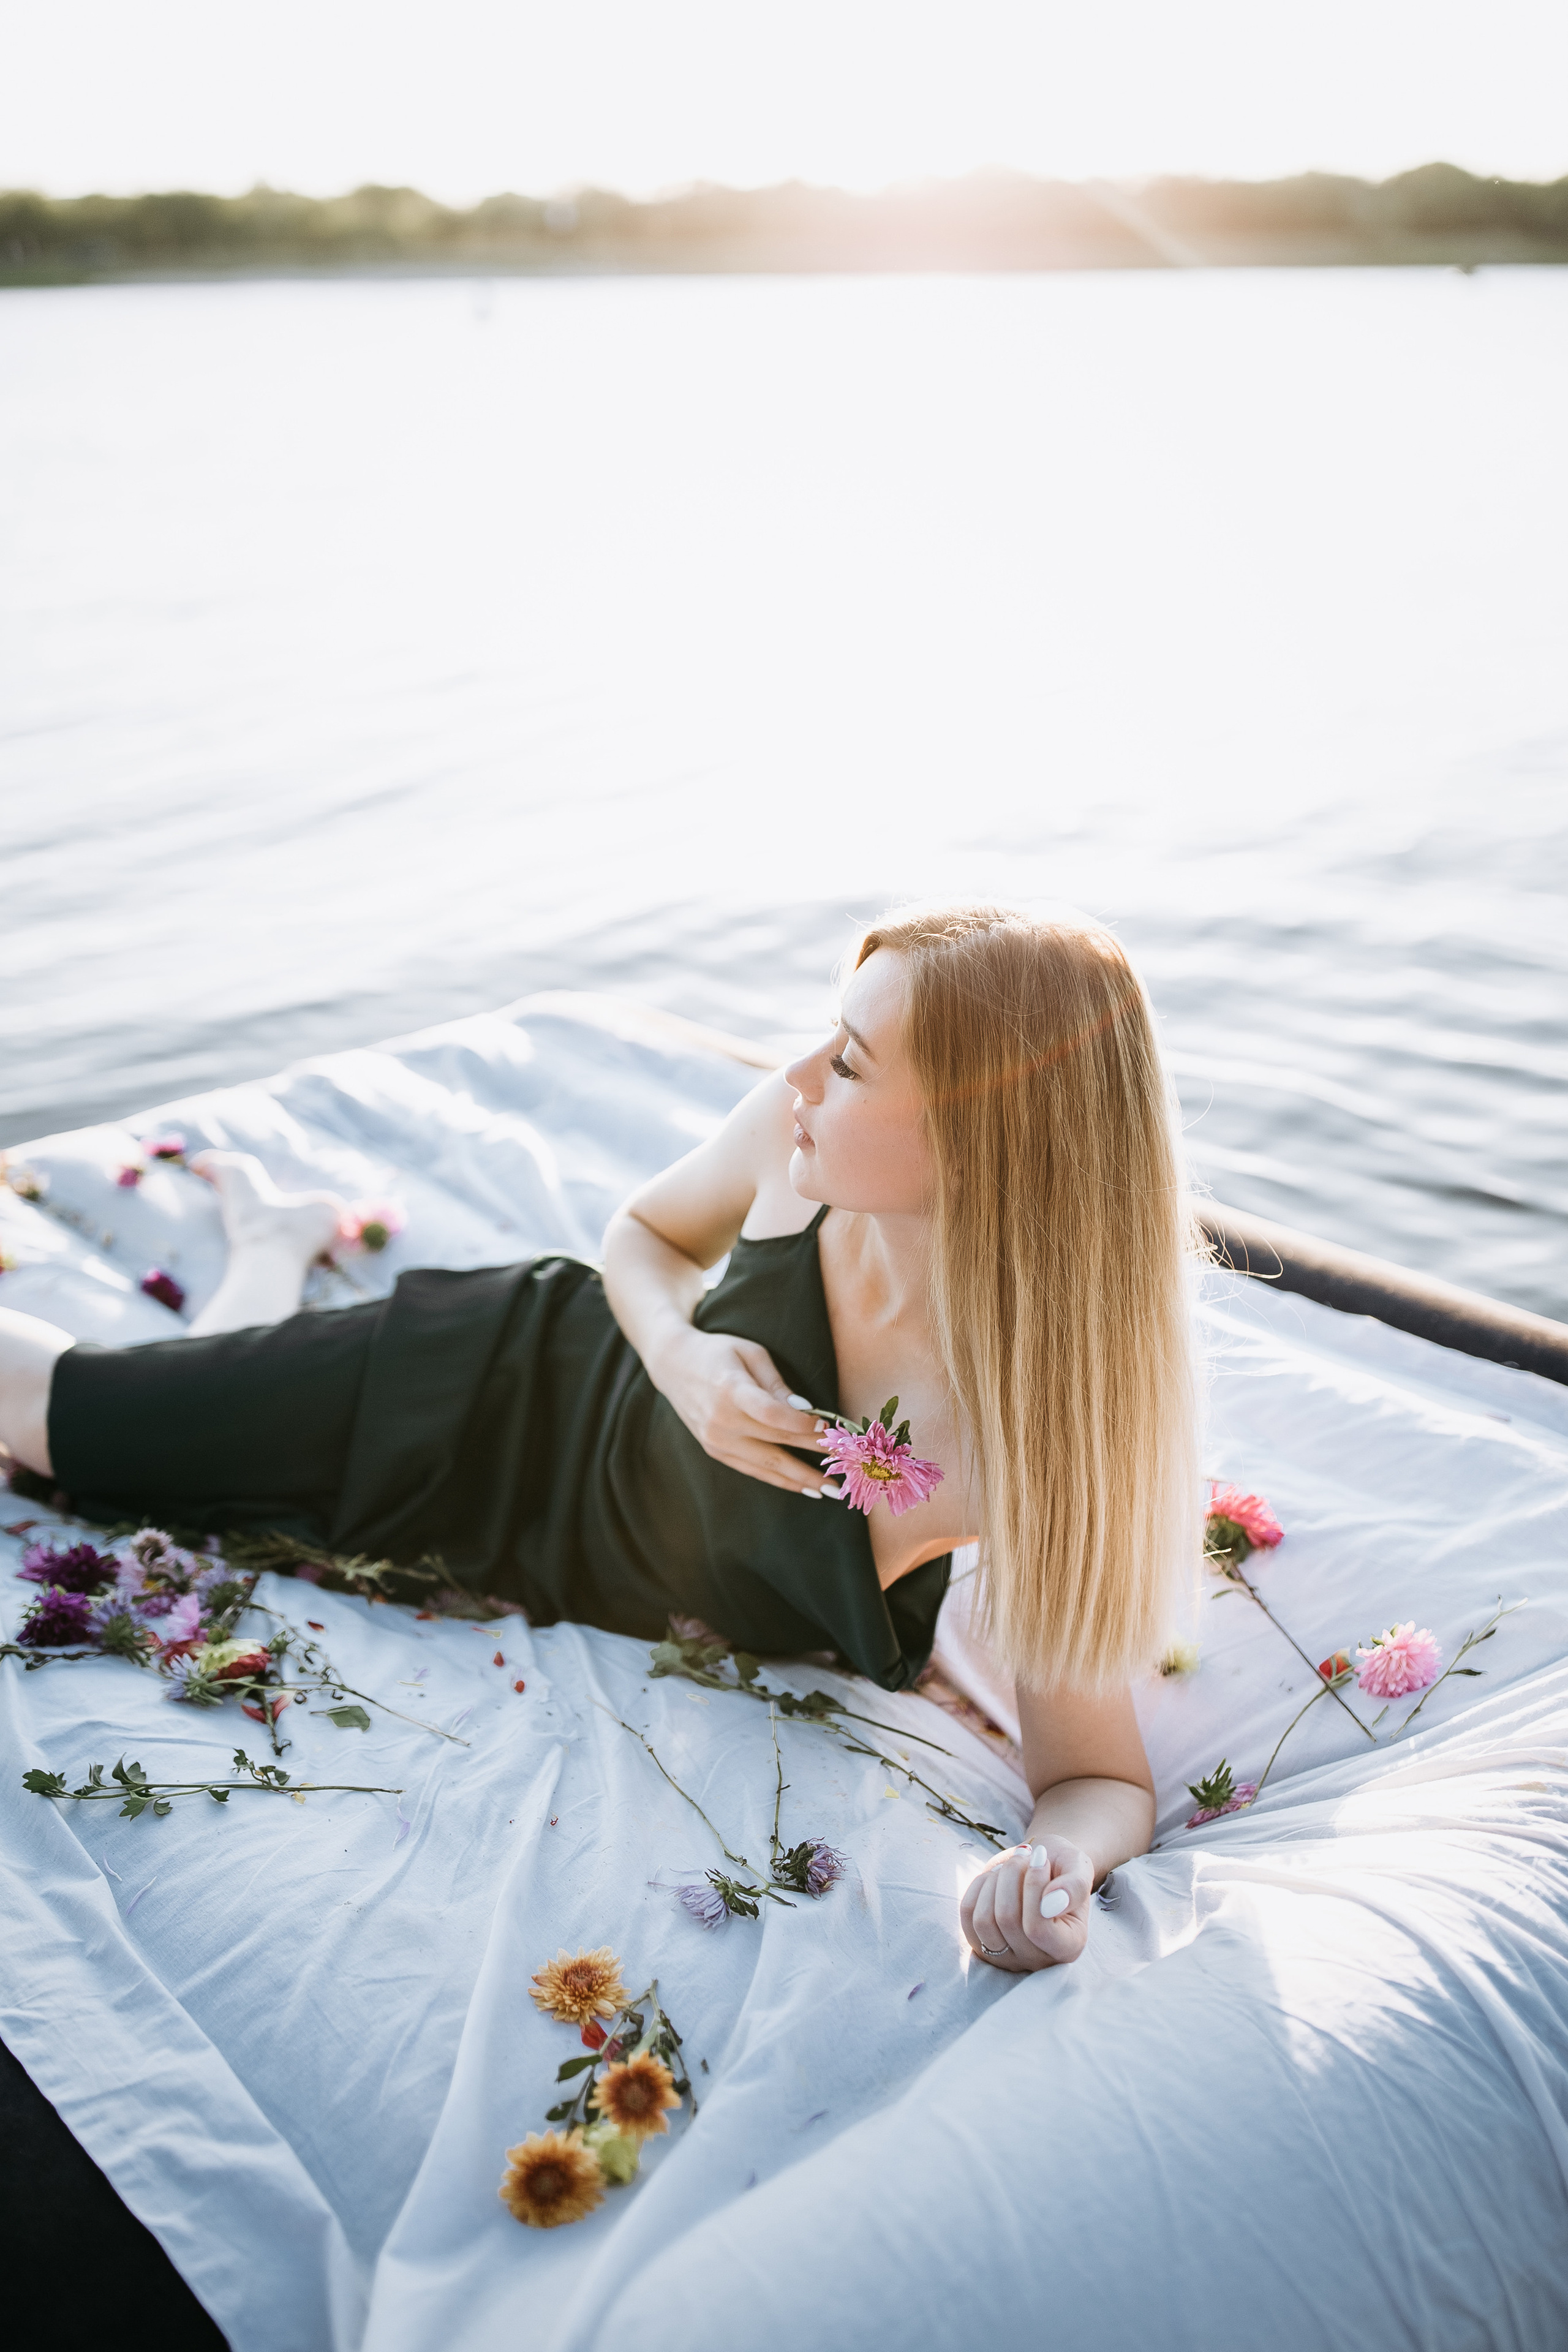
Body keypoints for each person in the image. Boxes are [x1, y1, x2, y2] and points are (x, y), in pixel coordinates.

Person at [0, 902, 1198, 1972]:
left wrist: (1054, 1869)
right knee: (62, 1422)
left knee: (181, 1457)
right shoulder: (795, 1147)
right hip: (487, 1384)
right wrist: (682, 1360)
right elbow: (644, 1237)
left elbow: (1095, 1778)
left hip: (547, 1560)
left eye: (846, 1061)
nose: (796, 1073)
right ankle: (271, 1254)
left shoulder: (1025, 1448)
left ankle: (270, 1252)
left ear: (978, 1138)